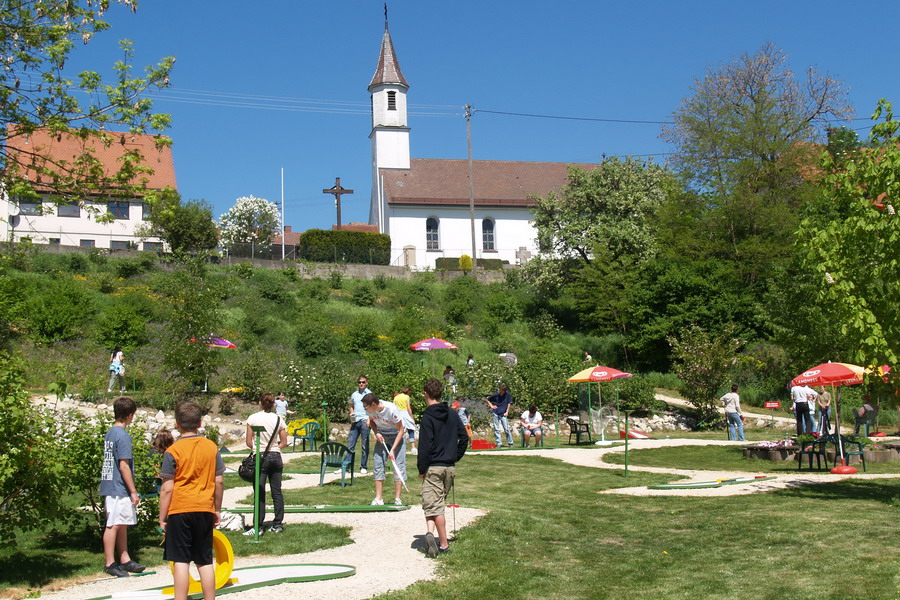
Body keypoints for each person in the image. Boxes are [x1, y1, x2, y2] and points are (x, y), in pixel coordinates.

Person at [159, 401, 225, 600]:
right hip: (204, 508)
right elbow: (219, 481)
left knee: (180, 561)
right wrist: (216, 508)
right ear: (201, 422)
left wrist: (162, 517)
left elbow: (167, 488)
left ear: (176, 424)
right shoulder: (211, 447)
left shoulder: (173, 451)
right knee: (204, 561)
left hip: (179, 510)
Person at [418, 379, 468, 557]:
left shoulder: (428, 417)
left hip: (433, 467)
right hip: (449, 467)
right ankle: (430, 533)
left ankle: (444, 544)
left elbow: (425, 446)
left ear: (426, 394)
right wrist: (455, 456)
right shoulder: (452, 414)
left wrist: (421, 469)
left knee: (434, 504)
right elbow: (464, 438)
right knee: (435, 502)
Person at [100, 396, 145, 577]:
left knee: (123, 522)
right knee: (113, 524)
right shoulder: (123, 436)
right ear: (130, 415)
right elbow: (123, 465)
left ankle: (125, 559)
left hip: (113, 484)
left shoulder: (111, 432)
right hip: (117, 486)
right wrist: (133, 490)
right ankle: (110, 562)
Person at [245, 393, 288, 534]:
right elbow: (284, 442)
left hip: (261, 456)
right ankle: (277, 524)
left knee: (260, 491)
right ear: (274, 404)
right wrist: (274, 447)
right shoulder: (278, 419)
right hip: (276, 456)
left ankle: (258, 525)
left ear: (260, 403)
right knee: (277, 492)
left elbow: (249, 442)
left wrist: (259, 447)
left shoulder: (253, 418)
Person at [362, 392, 406, 506]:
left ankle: (397, 499)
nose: (365, 410)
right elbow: (371, 422)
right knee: (378, 464)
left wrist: (392, 450)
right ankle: (378, 498)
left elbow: (401, 430)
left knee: (398, 466)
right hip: (382, 436)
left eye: (365, 407)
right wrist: (376, 433)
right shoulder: (371, 411)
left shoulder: (391, 409)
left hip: (397, 436)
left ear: (373, 404)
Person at [347, 376, 371, 474]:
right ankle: (347, 465)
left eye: (363, 382)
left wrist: (369, 419)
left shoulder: (369, 394)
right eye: (359, 382)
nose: (361, 384)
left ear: (366, 383)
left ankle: (363, 466)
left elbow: (371, 408)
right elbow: (351, 406)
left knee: (364, 444)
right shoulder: (354, 394)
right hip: (355, 420)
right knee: (350, 443)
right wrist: (351, 412)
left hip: (365, 420)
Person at [393, 386, 417, 455]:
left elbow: (393, 406)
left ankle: (398, 446)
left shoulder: (396, 397)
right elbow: (408, 408)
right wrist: (412, 417)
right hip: (405, 413)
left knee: (399, 430)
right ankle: (413, 447)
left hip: (397, 413)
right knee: (411, 429)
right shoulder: (406, 397)